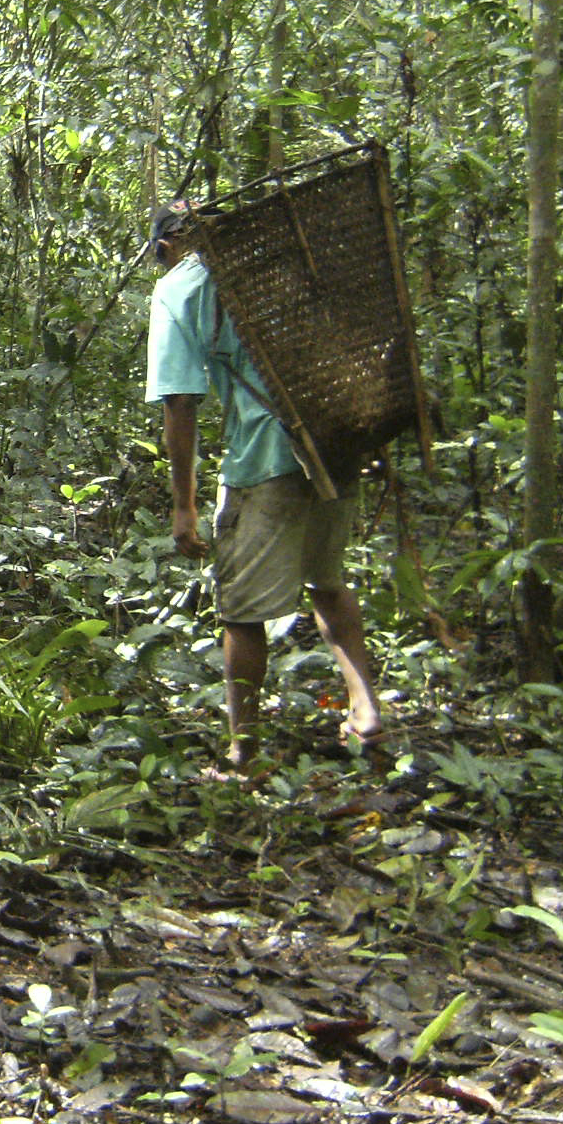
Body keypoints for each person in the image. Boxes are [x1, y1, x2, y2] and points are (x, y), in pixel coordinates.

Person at [145, 202, 381, 765]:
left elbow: (180, 401)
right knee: (328, 582)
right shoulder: (281, 264)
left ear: (167, 246)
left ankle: (244, 753)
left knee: (241, 613)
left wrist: (184, 506)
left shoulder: (180, 287)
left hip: (268, 458)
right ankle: (367, 711)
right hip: (336, 443)